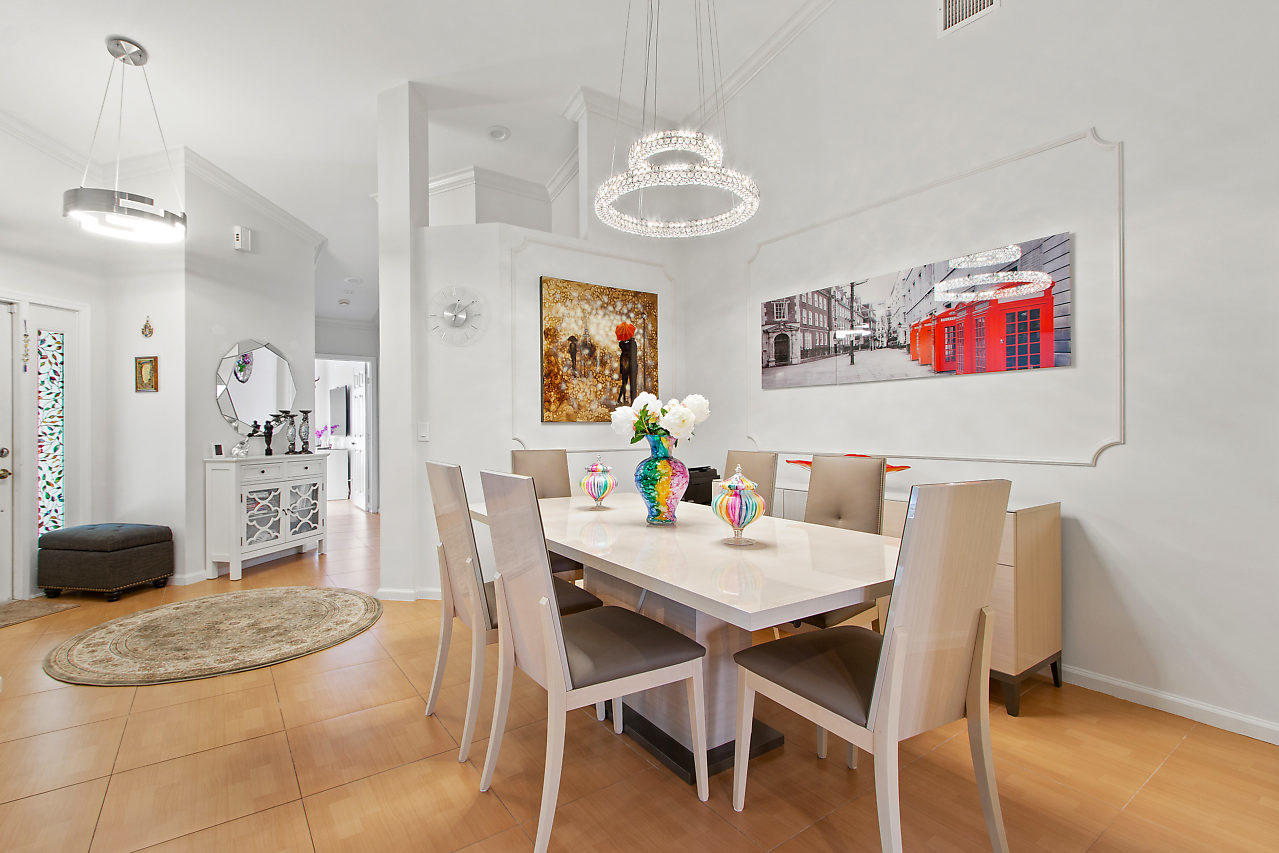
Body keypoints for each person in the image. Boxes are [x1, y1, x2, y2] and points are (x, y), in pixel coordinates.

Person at [615, 321, 636, 403]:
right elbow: (633, 353)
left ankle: (621, 399)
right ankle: (632, 400)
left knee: (624, 383)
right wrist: (632, 340)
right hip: (630, 365)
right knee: (632, 383)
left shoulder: (621, 344)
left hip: (624, 365)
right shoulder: (631, 343)